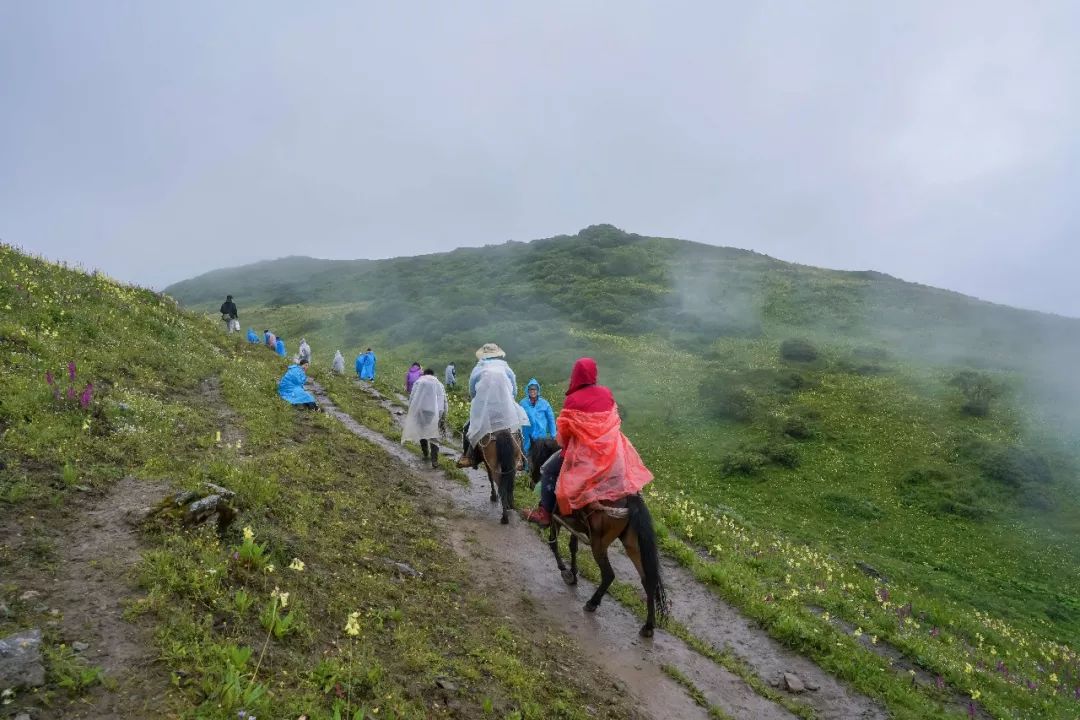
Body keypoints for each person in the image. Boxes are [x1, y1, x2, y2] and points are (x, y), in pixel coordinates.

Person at [522, 357, 652, 527]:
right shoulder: (606, 393)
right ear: (594, 374)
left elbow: (564, 435)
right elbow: (614, 419)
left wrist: (565, 445)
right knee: (625, 469)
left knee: (548, 471)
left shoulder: (573, 399)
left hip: (584, 455)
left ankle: (545, 513)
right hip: (611, 451)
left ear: (575, 375)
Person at [456, 343, 526, 469]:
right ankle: (519, 458)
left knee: (468, 428)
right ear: (497, 354)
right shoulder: (506, 368)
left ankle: (468, 456)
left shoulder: (478, 368)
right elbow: (514, 390)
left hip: (486, 411)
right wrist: (509, 401)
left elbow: (472, 391)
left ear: (484, 354)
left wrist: (478, 403)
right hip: (505, 410)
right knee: (519, 427)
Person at [401, 369, 447, 469]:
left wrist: (411, 410)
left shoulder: (419, 382)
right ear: (433, 374)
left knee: (422, 431)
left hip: (420, 410)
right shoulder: (439, 384)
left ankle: (425, 452)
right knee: (434, 435)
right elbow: (444, 400)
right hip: (434, 412)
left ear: (424, 374)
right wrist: (443, 416)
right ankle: (434, 460)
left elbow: (412, 397)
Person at [519, 378, 556, 460]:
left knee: (540, 455)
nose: (533, 391)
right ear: (527, 390)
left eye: (534, 389)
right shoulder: (523, 403)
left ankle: (539, 471)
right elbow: (518, 418)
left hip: (541, 434)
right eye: (530, 389)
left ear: (538, 390)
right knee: (527, 454)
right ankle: (527, 469)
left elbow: (551, 420)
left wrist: (553, 434)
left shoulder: (544, 403)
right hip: (527, 434)